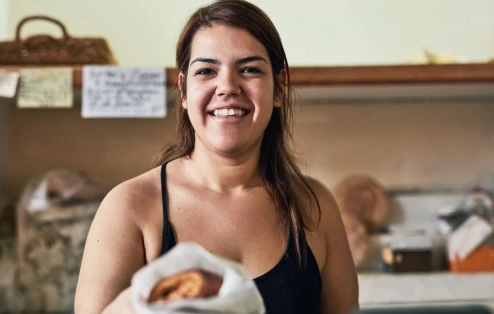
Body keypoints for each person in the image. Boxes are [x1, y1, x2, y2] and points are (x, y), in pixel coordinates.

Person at [74, 0, 359, 313]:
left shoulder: (314, 206)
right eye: (206, 71)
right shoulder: (129, 207)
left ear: (279, 90)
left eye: (249, 69)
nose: (227, 86)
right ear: (183, 91)